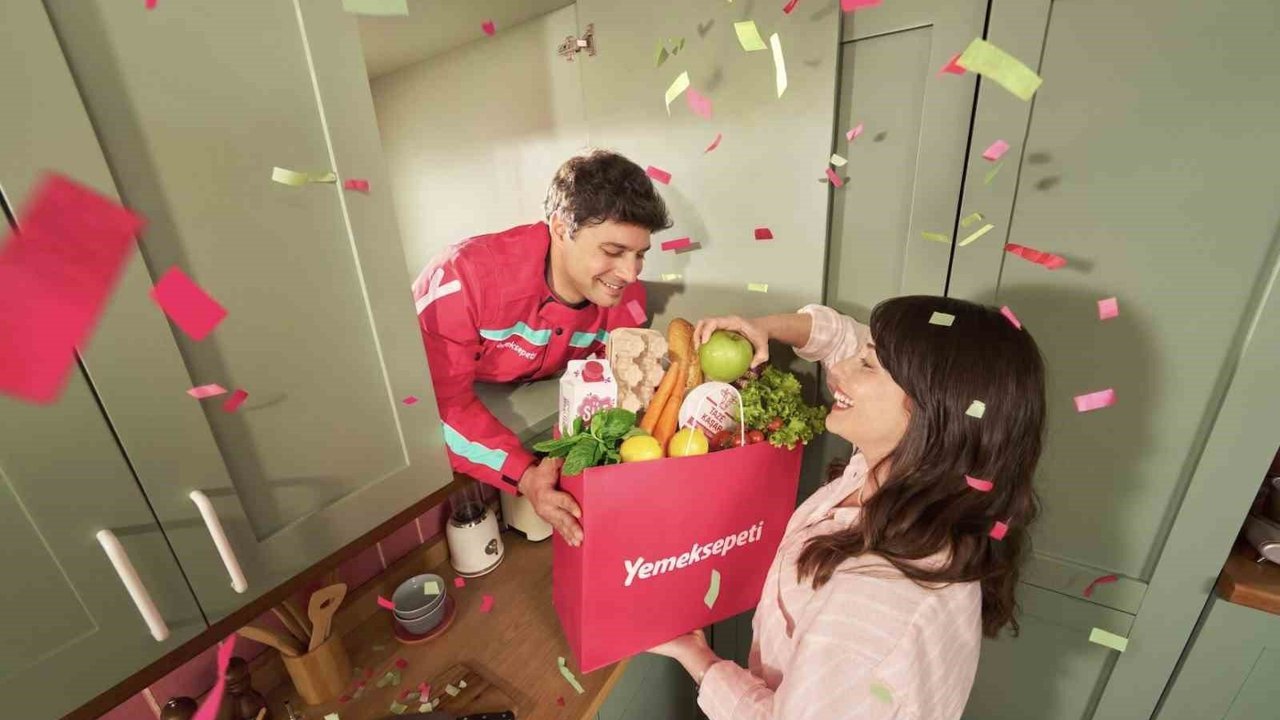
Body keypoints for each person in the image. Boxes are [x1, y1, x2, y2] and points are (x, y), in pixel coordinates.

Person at [650, 297, 1047, 719]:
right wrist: (763, 328)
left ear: (931, 411)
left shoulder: (879, 597)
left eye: (867, 364)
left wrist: (698, 658)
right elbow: (841, 339)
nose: (839, 369)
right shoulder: (898, 473)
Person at [413, 149, 671, 546]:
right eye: (613, 251)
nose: (630, 273)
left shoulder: (625, 297)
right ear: (561, 228)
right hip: (447, 385)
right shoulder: (462, 277)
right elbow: (436, 408)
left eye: (639, 255)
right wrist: (525, 474)